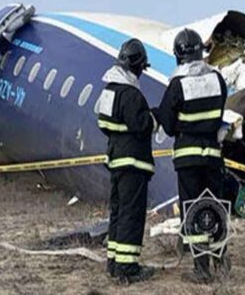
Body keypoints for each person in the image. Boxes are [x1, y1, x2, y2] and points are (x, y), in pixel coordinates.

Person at [153, 28, 229, 283]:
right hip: (213, 155)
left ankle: (202, 268)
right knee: (215, 206)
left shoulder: (177, 84)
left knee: (193, 209)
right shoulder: (217, 80)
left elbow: (168, 123)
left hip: (188, 158)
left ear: (177, 55)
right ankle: (222, 259)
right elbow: (219, 116)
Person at [97, 38, 156, 284]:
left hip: (116, 160)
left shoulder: (109, 91)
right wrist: (153, 117)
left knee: (119, 212)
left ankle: (113, 262)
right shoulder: (131, 94)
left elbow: (103, 124)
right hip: (133, 163)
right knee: (132, 214)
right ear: (138, 66)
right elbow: (142, 125)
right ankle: (127, 268)